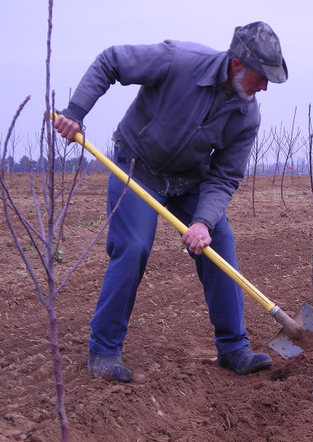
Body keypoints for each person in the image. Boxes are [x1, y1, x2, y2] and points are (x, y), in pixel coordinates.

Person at [54, 22, 288, 382]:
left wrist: (203, 222)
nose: (265, 87)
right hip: (137, 166)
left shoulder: (247, 114)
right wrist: (76, 110)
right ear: (238, 65)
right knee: (132, 246)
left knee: (220, 243)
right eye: (262, 77)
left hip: (189, 178)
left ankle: (233, 348)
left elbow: (225, 175)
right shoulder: (179, 60)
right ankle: (104, 350)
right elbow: (110, 61)